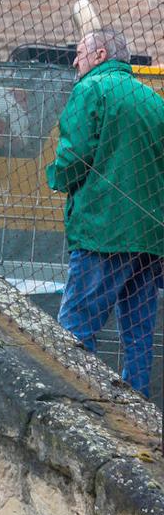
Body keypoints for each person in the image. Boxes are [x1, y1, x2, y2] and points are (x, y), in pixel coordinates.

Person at [46, 28, 164, 396]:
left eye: (79, 53)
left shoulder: (90, 90)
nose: (74, 61)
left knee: (75, 328)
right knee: (139, 337)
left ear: (99, 55)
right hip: (149, 238)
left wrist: (57, 176)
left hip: (103, 230)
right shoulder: (154, 100)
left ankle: (77, 401)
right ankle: (138, 409)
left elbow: (75, 154)